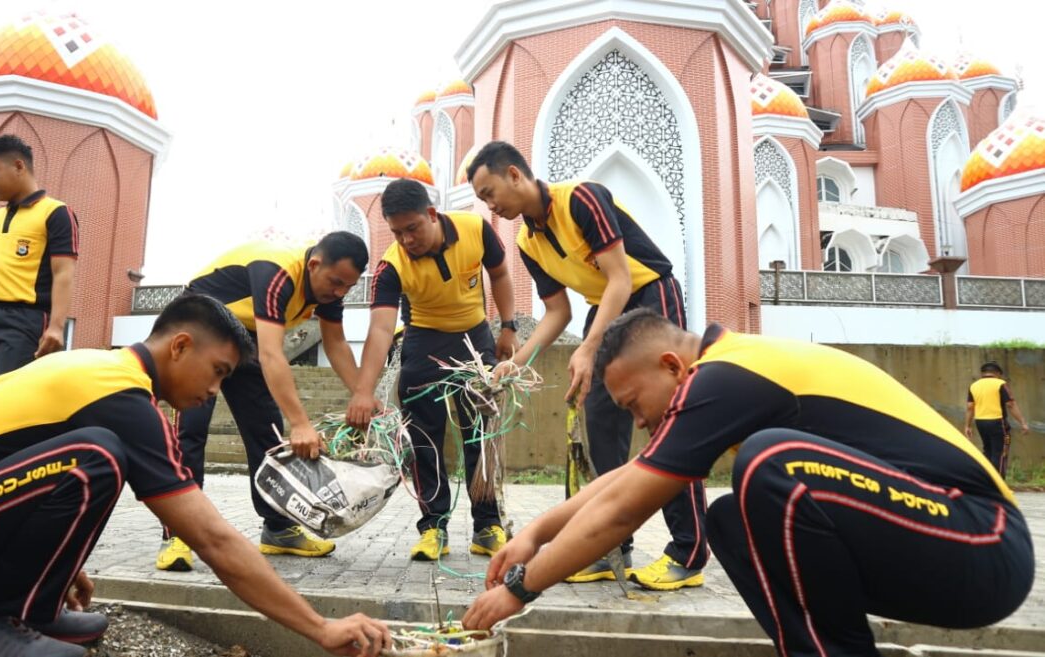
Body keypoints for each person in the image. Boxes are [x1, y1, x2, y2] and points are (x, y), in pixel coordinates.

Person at [464, 309, 1034, 656]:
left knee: (767, 463)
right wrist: (534, 532)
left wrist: (519, 587)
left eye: (634, 403)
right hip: (939, 544)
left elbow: (622, 510)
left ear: (671, 365)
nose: (638, 422)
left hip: (982, 543)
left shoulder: (727, 375)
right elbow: (623, 482)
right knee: (729, 519)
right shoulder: (724, 373)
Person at [0, 293, 392, 657]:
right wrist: (320, 627)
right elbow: (212, 539)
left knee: (101, 456)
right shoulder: (121, 397)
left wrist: (41, 565)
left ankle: (26, 607)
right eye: (218, 372)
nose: (216, 391)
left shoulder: (102, 373)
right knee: (97, 456)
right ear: (180, 346)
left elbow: (5, 472)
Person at [466, 141, 708, 590]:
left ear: (515, 174)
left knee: (665, 420)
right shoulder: (527, 242)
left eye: (490, 192)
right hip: (605, 307)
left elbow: (620, 277)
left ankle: (688, 552)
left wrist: (590, 347)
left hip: (650, 292)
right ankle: (608, 548)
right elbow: (557, 312)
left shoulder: (582, 198)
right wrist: (516, 363)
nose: (491, 206)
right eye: (483, 200)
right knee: (599, 423)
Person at [156, 232, 368, 572]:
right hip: (201, 325)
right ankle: (180, 533)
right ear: (314, 264)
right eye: (336, 282)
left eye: (348, 287)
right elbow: (272, 354)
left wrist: (363, 393)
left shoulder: (328, 289)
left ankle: (279, 530)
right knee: (191, 431)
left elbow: (337, 343)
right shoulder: (278, 271)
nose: (339, 292)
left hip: (244, 335)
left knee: (266, 432)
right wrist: (300, 422)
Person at [345, 179, 518, 560]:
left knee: (481, 435)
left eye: (413, 228)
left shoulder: (475, 229)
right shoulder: (391, 265)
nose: (406, 239)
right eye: (397, 232)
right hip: (423, 342)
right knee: (423, 439)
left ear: (432, 214)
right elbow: (379, 328)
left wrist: (507, 327)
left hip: (474, 340)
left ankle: (487, 525)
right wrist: (363, 389)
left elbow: (502, 274)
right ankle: (433, 527)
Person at [0, 135, 79, 393]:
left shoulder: (55, 213)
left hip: (25, 320)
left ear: (19, 166)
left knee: (9, 399)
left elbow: (63, 273)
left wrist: (57, 327)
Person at [965, 361, 1030, 477]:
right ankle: (999, 485)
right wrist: (1023, 422)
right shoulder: (1000, 383)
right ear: (998, 373)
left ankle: (987, 482)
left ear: (982, 374)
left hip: (980, 422)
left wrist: (967, 426)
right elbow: (1011, 404)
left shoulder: (974, 385)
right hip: (998, 423)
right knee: (1001, 453)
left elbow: (970, 407)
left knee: (988, 451)